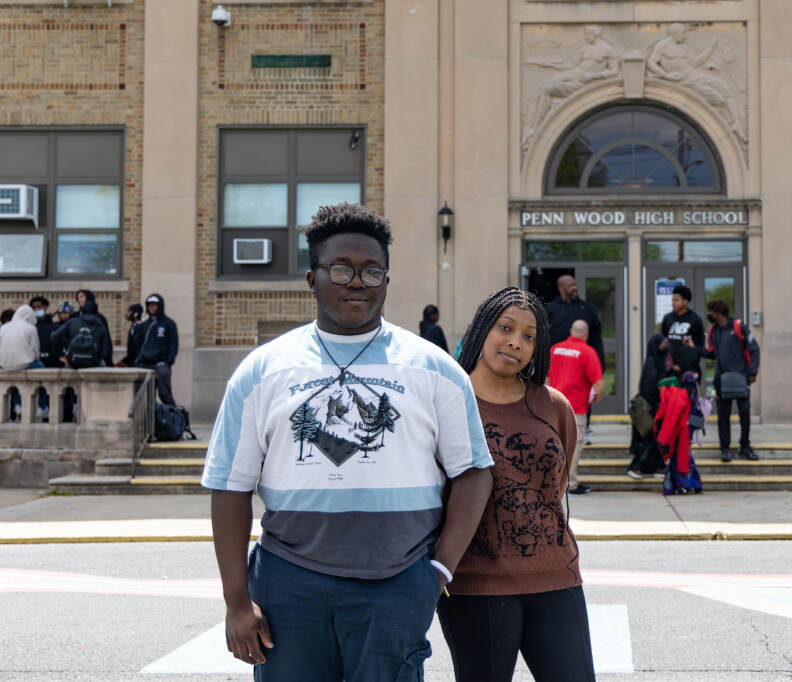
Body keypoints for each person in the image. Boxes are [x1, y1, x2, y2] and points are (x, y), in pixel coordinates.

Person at [201, 203, 493, 681]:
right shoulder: (263, 371)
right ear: (312, 278)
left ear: (387, 280)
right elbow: (230, 486)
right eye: (341, 269)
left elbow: (474, 472)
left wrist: (437, 572)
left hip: (396, 583)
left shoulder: (434, 368)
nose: (358, 281)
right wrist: (237, 601)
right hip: (289, 584)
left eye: (372, 271)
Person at [440, 286, 596, 682]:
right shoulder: (446, 404)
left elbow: (554, 487)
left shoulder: (553, 406)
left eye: (530, 336)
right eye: (505, 328)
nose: (516, 342)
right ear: (481, 330)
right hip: (475, 585)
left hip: (555, 577)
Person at [544, 274, 604, 441]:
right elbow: (542, 337)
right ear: (561, 288)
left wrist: (599, 361)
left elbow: (597, 336)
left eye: (575, 284)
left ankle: (585, 427)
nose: (574, 287)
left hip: (583, 361)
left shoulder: (586, 309)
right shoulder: (551, 309)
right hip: (558, 361)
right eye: (570, 285)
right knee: (555, 396)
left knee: (583, 394)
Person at [548, 319, 604, 495]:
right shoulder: (587, 352)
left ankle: (552, 482)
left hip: (553, 407)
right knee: (574, 445)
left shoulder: (555, 349)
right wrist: (597, 397)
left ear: (571, 331)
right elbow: (599, 383)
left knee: (555, 444)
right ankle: (570, 484)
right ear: (586, 334)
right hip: (576, 409)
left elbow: (546, 378)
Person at [701, 300, 760, 461]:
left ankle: (745, 446)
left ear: (718, 312)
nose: (709, 315)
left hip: (741, 378)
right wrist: (695, 349)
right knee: (723, 415)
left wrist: (752, 372)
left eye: (711, 312)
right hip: (720, 379)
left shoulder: (739, 327)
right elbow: (712, 354)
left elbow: (754, 349)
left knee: (745, 413)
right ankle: (725, 449)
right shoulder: (713, 331)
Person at [627, 334, 669, 479]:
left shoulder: (660, 360)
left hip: (656, 407)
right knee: (648, 438)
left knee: (654, 438)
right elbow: (650, 386)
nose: (666, 345)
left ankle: (656, 467)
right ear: (656, 345)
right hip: (649, 408)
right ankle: (635, 466)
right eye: (664, 342)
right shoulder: (652, 362)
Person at [131, 294, 179, 405]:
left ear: (160, 306)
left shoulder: (169, 324)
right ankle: (150, 420)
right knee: (145, 397)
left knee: (165, 394)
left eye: (154, 305)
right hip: (145, 364)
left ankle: (173, 418)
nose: (151, 308)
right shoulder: (144, 325)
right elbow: (138, 345)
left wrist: (168, 361)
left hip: (161, 365)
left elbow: (173, 344)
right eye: (149, 305)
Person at [50, 300, 112, 369]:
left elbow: (54, 336)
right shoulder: (100, 325)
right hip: (94, 362)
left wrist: (61, 354)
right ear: (96, 313)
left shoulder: (72, 322)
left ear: (82, 312)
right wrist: (98, 358)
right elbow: (104, 348)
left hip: (74, 361)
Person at [661, 284, 704, 358]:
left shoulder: (695, 319)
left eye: (676, 300)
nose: (673, 303)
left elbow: (699, 345)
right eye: (672, 300)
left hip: (688, 365)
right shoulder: (667, 318)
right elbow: (663, 340)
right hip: (669, 365)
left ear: (685, 301)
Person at [74, 289, 113, 367]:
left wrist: (106, 356)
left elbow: (106, 339)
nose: (80, 300)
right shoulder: (75, 317)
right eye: (78, 297)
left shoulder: (100, 318)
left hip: (96, 356)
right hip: (76, 355)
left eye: (82, 297)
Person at [29, 296, 61, 369]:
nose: (36, 309)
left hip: (53, 364)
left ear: (45, 307)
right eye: (33, 308)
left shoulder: (54, 326)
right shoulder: (30, 326)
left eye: (38, 307)